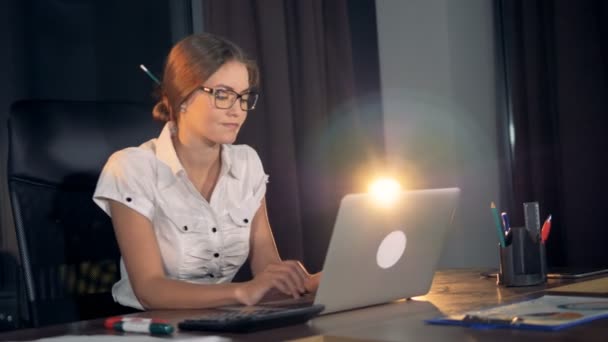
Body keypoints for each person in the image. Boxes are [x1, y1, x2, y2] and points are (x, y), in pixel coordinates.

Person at [93, 33, 320, 310]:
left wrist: (305, 282)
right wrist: (242, 292)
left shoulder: (247, 162)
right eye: (223, 95)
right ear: (182, 98)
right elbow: (149, 289)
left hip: (222, 321)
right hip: (150, 327)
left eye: (244, 97)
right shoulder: (131, 167)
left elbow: (267, 269)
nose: (237, 110)